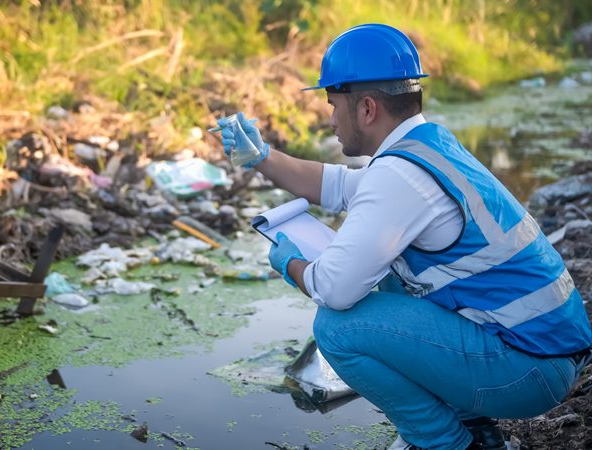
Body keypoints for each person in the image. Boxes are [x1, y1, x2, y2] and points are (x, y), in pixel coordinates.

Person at [217, 23, 592, 450]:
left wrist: (291, 262)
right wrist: (263, 158)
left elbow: (333, 289)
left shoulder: (400, 176)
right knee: (392, 280)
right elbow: (337, 186)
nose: (329, 118)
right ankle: (478, 433)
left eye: (332, 103)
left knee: (338, 329)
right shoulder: (426, 147)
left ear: (367, 109)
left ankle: (443, 443)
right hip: (546, 353)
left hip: (529, 370)